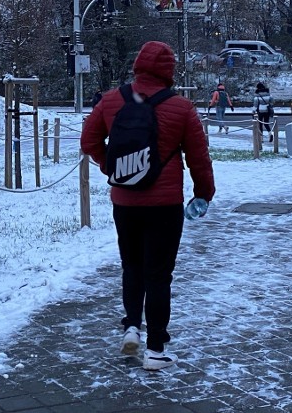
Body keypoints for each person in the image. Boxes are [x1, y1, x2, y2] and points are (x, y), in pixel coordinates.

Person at [80, 41, 215, 370]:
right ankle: (156, 348)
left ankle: (131, 328)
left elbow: (89, 142)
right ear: (169, 71)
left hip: (124, 201)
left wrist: (112, 168)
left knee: (132, 266)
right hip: (165, 204)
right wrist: (204, 193)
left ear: (137, 65)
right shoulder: (181, 108)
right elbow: (199, 158)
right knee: (158, 274)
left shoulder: (112, 100)